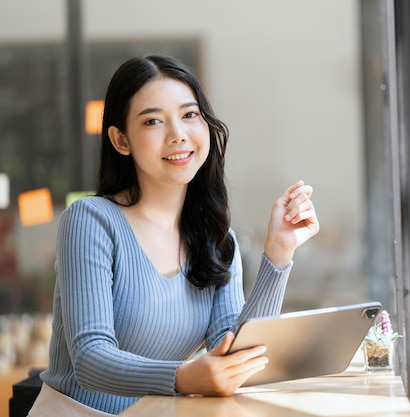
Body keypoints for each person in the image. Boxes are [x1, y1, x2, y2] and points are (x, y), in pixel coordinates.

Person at [28, 55, 319, 416]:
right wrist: (184, 377)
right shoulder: (90, 220)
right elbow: (90, 359)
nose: (177, 134)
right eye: (152, 121)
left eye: (189, 115)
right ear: (121, 140)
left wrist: (278, 254)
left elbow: (235, 355)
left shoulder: (216, 237)